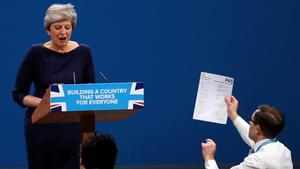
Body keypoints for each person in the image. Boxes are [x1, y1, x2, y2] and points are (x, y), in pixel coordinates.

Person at [12, 3, 95, 169]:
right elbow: (18, 93)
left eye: (67, 27)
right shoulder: (36, 53)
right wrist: (47, 103)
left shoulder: (84, 52)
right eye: (58, 27)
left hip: (72, 128)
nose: (63, 32)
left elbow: (90, 92)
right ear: (48, 30)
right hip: (42, 127)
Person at [201, 96, 293, 169]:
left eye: (251, 121)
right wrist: (232, 114)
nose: (249, 123)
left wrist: (209, 158)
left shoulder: (257, 161)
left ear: (257, 128)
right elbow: (253, 139)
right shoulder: (283, 151)